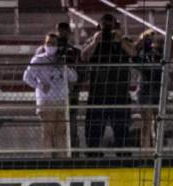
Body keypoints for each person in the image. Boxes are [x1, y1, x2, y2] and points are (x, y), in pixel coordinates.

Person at [80, 14, 135, 153]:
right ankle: (93, 156)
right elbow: (83, 56)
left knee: (121, 128)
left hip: (119, 92)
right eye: (104, 24)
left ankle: (123, 157)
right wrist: (95, 42)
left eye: (110, 24)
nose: (107, 28)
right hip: (98, 92)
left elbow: (133, 53)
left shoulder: (123, 40)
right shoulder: (94, 40)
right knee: (94, 128)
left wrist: (120, 40)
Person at [24, 32, 77, 156]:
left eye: (54, 44)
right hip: (46, 100)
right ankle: (47, 159)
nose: (51, 46)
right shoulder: (38, 60)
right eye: (48, 43)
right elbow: (27, 77)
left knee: (61, 132)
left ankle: (62, 158)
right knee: (48, 132)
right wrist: (41, 86)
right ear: (44, 44)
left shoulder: (62, 60)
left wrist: (64, 66)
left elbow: (73, 77)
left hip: (62, 100)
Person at [134, 29, 164, 150]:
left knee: (158, 122)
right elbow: (135, 58)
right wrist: (142, 41)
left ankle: (157, 150)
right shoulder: (142, 53)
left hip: (158, 89)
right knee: (146, 123)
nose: (151, 40)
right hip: (145, 90)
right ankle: (145, 151)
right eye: (149, 38)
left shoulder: (160, 53)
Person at [55, 22, 82, 152]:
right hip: (53, 94)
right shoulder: (47, 51)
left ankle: (74, 150)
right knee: (55, 125)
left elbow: (82, 72)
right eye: (60, 31)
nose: (62, 34)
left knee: (72, 124)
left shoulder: (75, 51)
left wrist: (75, 86)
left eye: (65, 31)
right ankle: (56, 152)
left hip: (71, 93)